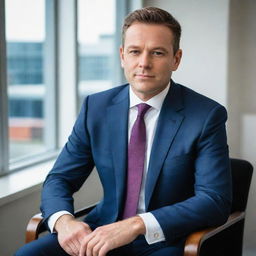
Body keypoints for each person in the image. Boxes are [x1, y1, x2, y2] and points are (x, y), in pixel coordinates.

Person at [15, 6, 232, 256]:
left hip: (164, 238)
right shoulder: (95, 108)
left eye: (157, 53)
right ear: (122, 56)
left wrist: (136, 225)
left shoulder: (205, 115)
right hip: (100, 230)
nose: (144, 63)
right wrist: (65, 222)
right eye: (135, 52)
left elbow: (214, 200)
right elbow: (60, 179)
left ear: (176, 59)